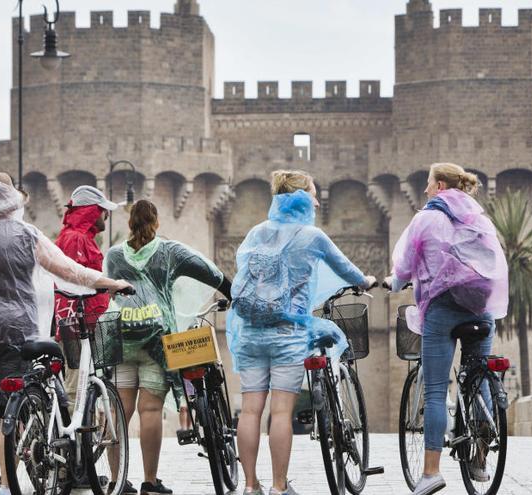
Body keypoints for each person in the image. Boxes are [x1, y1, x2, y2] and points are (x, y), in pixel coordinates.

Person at [0, 178, 132, 495]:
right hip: (16, 332)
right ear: (11, 202)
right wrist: (111, 283)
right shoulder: (25, 234)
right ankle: (5, 485)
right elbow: (69, 271)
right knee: (8, 411)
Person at [227, 170, 377, 495]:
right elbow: (347, 270)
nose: (317, 199)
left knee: (250, 410)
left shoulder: (255, 233)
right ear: (299, 197)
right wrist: (365, 281)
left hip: (250, 333)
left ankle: (251, 486)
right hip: (288, 334)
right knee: (281, 411)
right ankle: (279, 488)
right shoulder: (313, 236)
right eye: (312, 193)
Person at [385, 163, 508, 495]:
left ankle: (431, 472)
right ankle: (481, 460)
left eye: (428, 184)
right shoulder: (480, 218)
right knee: (478, 378)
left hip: (442, 310)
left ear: (439, 186)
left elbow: (405, 265)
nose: (425, 190)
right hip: (481, 311)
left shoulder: (427, 218)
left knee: (437, 391)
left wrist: (393, 282)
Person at [104, 199, 233, 495]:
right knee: (149, 410)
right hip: (156, 338)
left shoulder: (113, 255)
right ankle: (150, 481)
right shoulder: (170, 251)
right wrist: (231, 290)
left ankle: (117, 480)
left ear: (130, 224)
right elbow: (209, 271)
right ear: (156, 222)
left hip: (121, 336)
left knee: (119, 410)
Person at [54, 185, 118, 406]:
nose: (106, 216)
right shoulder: (76, 239)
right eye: (103, 210)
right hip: (74, 323)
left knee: (81, 383)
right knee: (75, 386)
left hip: (83, 323)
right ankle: (73, 438)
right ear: (92, 211)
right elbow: (73, 277)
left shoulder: (80, 238)